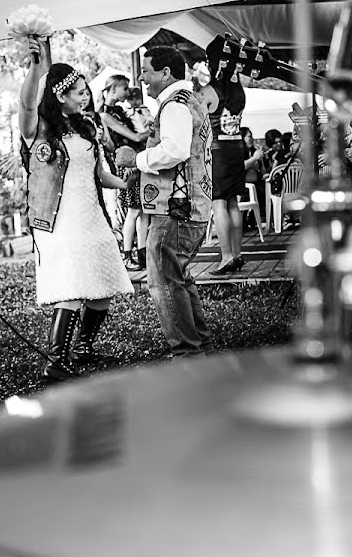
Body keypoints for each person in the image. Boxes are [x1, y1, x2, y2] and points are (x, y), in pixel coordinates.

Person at [19, 37, 133, 382]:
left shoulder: (87, 127)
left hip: (92, 216)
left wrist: (130, 183)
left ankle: (83, 349)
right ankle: (55, 362)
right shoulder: (38, 129)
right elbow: (25, 106)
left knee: (101, 287)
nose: (86, 96)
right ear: (60, 94)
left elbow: (100, 175)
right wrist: (35, 67)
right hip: (59, 221)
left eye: (86, 91)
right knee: (71, 288)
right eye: (79, 91)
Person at [114, 46, 214, 358]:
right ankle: (200, 343)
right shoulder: (191, 100)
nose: (141, 77)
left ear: (166, 72)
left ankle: (187, 353)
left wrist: (137, 158)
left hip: (175, 209)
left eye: (146, 70)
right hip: (193, 205)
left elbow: (176, 150)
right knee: (179, 278)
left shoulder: (174, 105)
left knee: (164, 283)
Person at [198, 41, 247, 275]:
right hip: (236, 146)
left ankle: (226, 256)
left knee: (218, 202)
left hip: (217, 149)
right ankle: (237, 254)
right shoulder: (239, 90)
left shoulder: (208, 91)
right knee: (233, 201)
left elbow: (196, 122)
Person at [99, 74, 151, 271]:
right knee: (134, 210)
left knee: (143, 208)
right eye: (125, 88)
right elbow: (135, 137)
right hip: (126, 163)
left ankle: (142, 252)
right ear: (113, 89)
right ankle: (128, 254)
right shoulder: (106, 115)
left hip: (134, 160)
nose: (128, 92)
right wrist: (155, 130)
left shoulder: (120, 111)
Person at [241, 126, 266, 219]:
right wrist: (254, 159)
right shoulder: (240, 152)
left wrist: (260, 160)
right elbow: (240, 167)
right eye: (249, 136)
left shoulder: (253, 151)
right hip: (243, 183)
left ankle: (254, 218)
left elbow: (262, 170)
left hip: (256, 182)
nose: (252, 139)